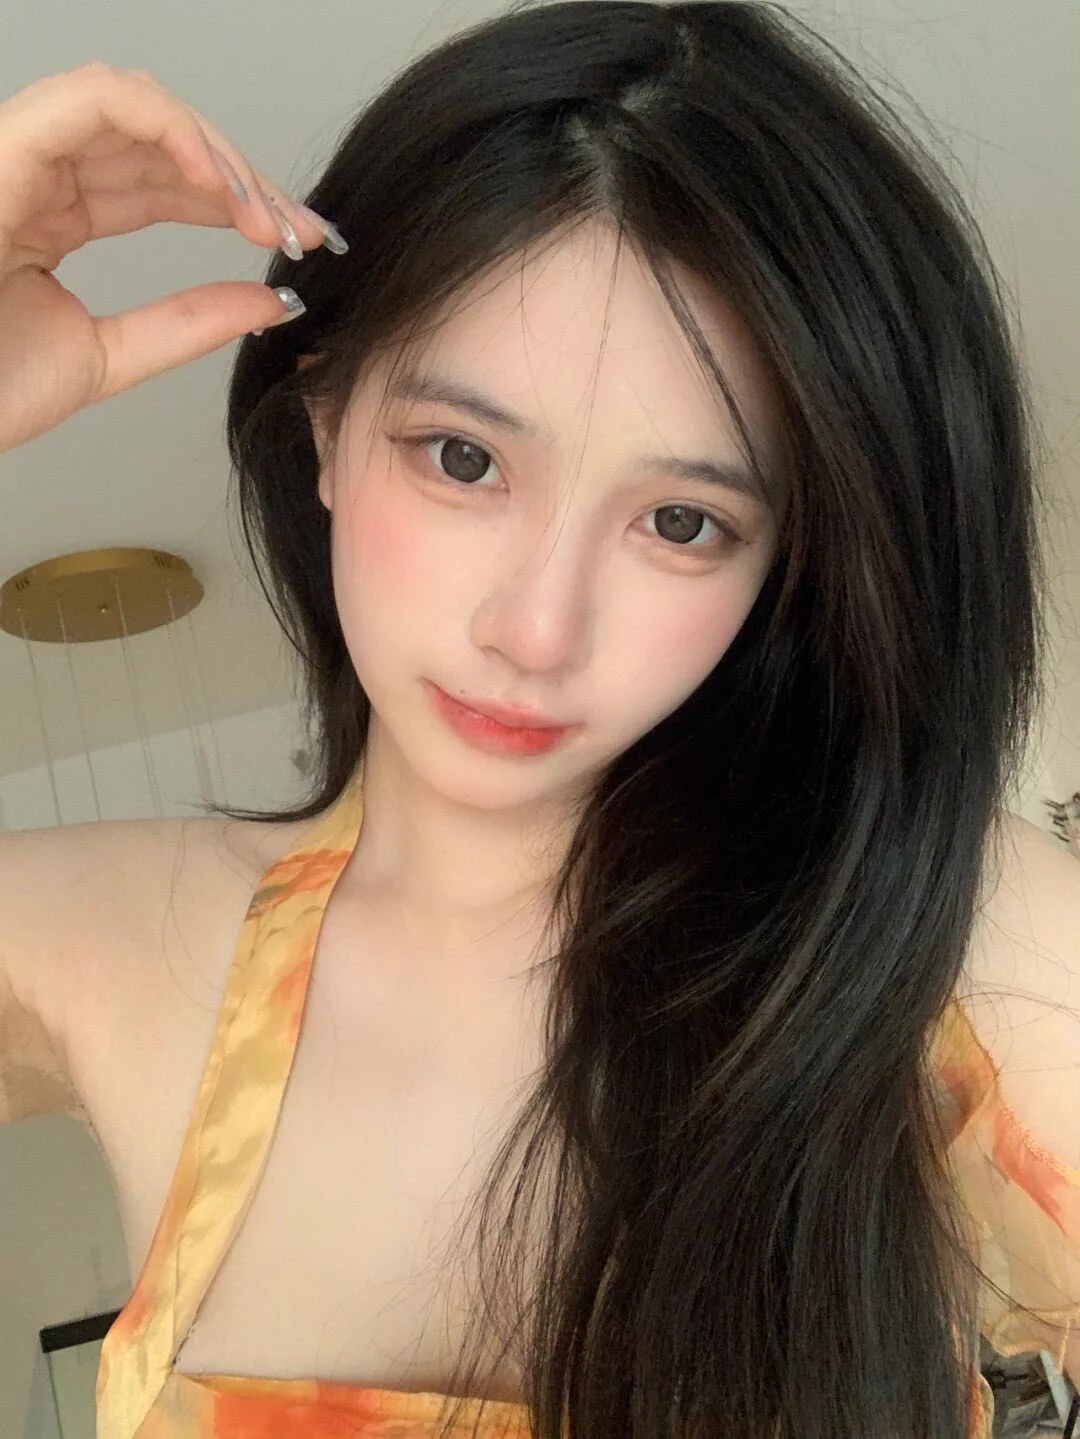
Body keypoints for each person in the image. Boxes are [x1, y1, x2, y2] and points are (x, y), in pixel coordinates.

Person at [1, 3, 1078, 1437]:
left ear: (783, 563)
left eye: (682, 521)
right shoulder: (93, 933)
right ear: (324, 428)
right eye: (463, 458)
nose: (537, 629)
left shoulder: (947, 941)